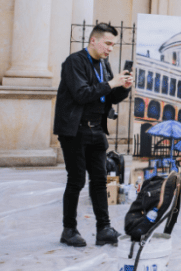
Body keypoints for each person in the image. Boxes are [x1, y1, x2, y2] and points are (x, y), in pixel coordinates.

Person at [53, 23, 133, 247]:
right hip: (75, 131)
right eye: (107, 43)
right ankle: (69, 230)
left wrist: (123, 87)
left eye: (113, 45)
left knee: (100, 181)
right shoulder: (75, 62)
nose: (110, 49)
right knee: (76, 180)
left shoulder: (103, 64)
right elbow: (81, 94)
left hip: (97, 129)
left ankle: (104, 229)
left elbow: (109, 97)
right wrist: (110, 83)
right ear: (93, 41)